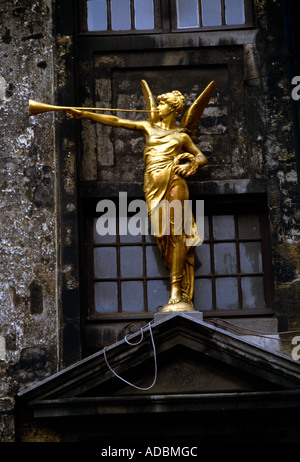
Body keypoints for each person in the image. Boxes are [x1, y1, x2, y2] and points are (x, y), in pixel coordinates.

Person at [68, 88, 208, 310]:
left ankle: (175, 289)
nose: (157, 107)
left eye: (162, 104)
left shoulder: (181, 136)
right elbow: (115, 120)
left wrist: (188, 163)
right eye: (159, 103)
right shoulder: (148, 127)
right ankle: (175, 283)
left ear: (173, 109)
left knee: (177, 234)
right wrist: (86, 115)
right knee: (162, 236)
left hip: (175, 182)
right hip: (153, 186)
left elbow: (201, 157)